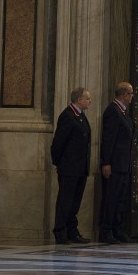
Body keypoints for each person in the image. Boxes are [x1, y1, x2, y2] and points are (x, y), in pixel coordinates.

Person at [51, 87, 92, 244]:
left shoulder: (81, 116)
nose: (90, 101)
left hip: (80, 167)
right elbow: (58, 142)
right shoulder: (67, 116)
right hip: (69, 167)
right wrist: (58, 162)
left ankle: (72, 231)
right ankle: (60, 231)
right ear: (79, 99)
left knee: (75, 202)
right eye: (87, 98)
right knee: (65, 201)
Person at [98, 82, 135, 244]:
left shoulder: (124, 112)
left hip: (123, 164)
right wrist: (106, 162)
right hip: (114, 164)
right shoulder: (113, 111)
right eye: (131, 94)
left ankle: (118, 229)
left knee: (120, 200)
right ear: (124, 95)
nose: (133, 97)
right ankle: (106, 231)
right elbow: (108, 139)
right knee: (111, 199)